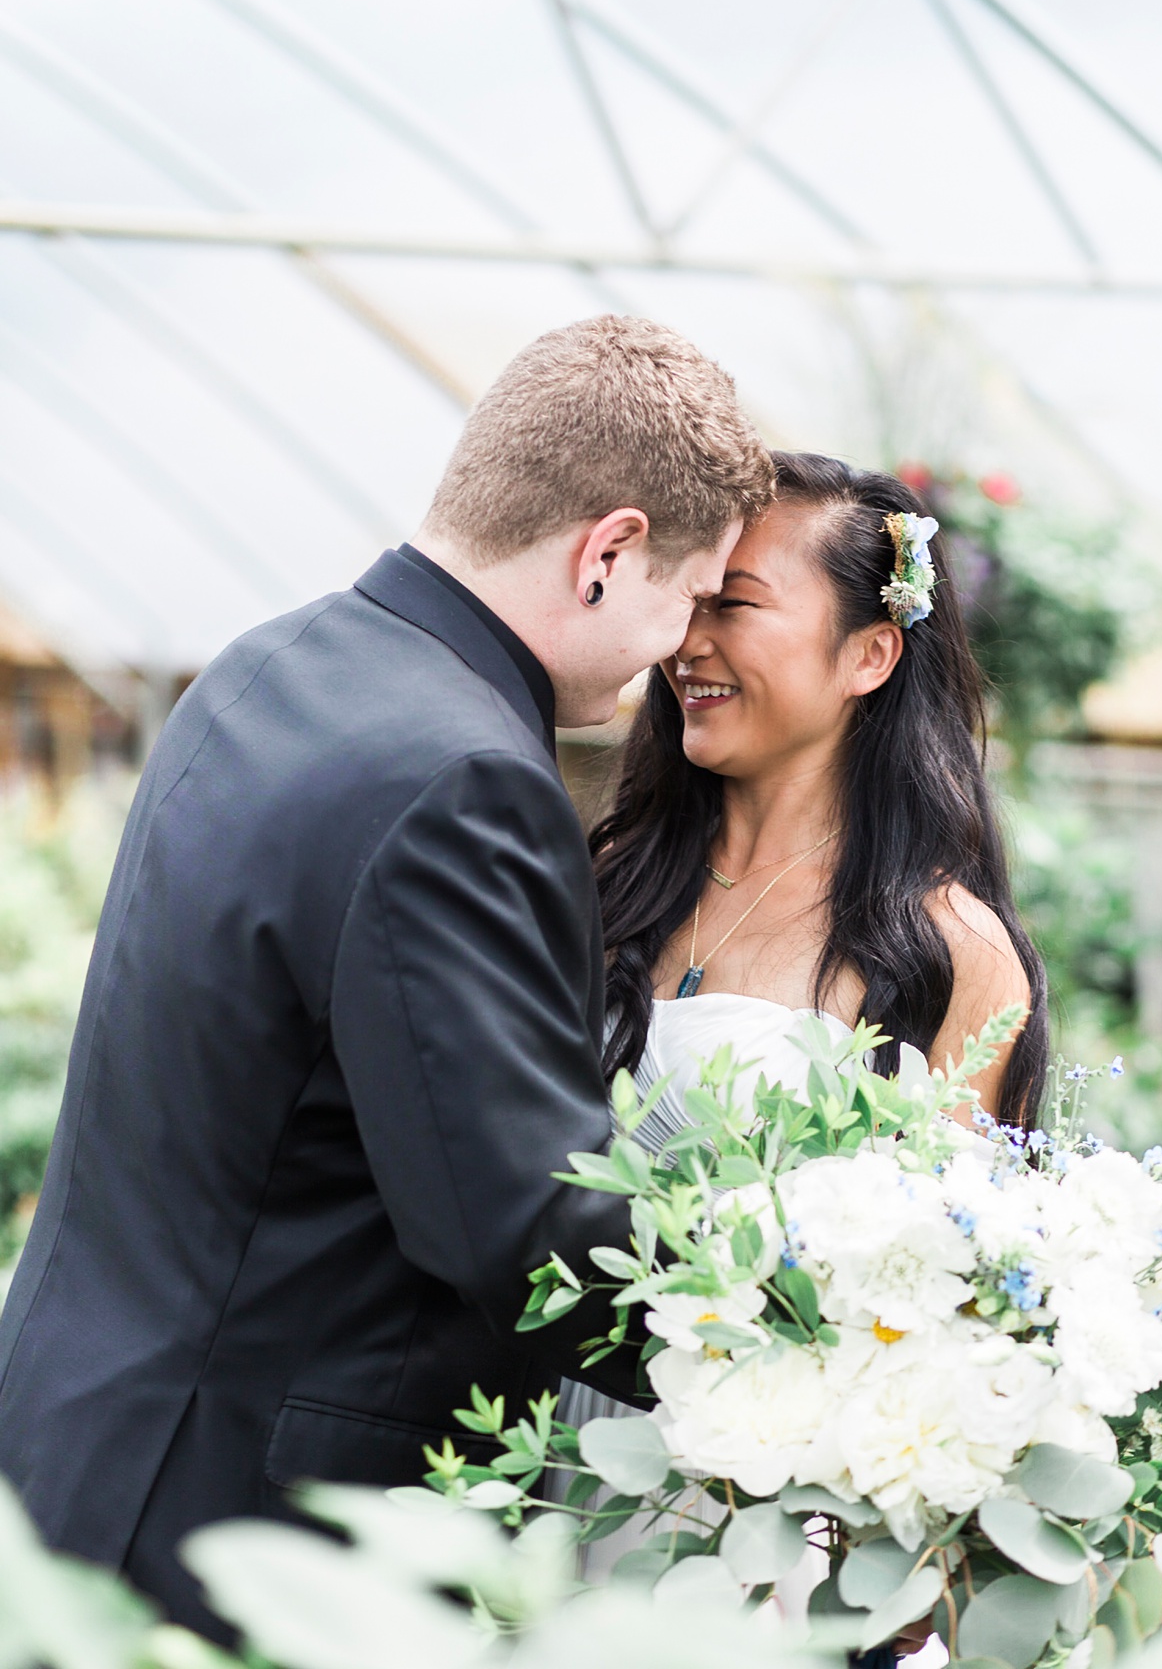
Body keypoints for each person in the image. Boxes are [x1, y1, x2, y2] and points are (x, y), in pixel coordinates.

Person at [0, 315, 775, 1641]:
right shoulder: (464, 778)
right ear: (608, 553)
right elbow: (524, 1228)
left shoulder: (269, 662)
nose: (682, 644)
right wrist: (809, 1349)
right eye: (689, 595)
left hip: (75, 1438)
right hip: (226, 1525)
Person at [591, 450, 1048, 1160]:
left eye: (734, 604)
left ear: (870, 655)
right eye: (689, 600)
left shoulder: (952, 947)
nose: (687, 641)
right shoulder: (609, 878)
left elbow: (970, 1247)